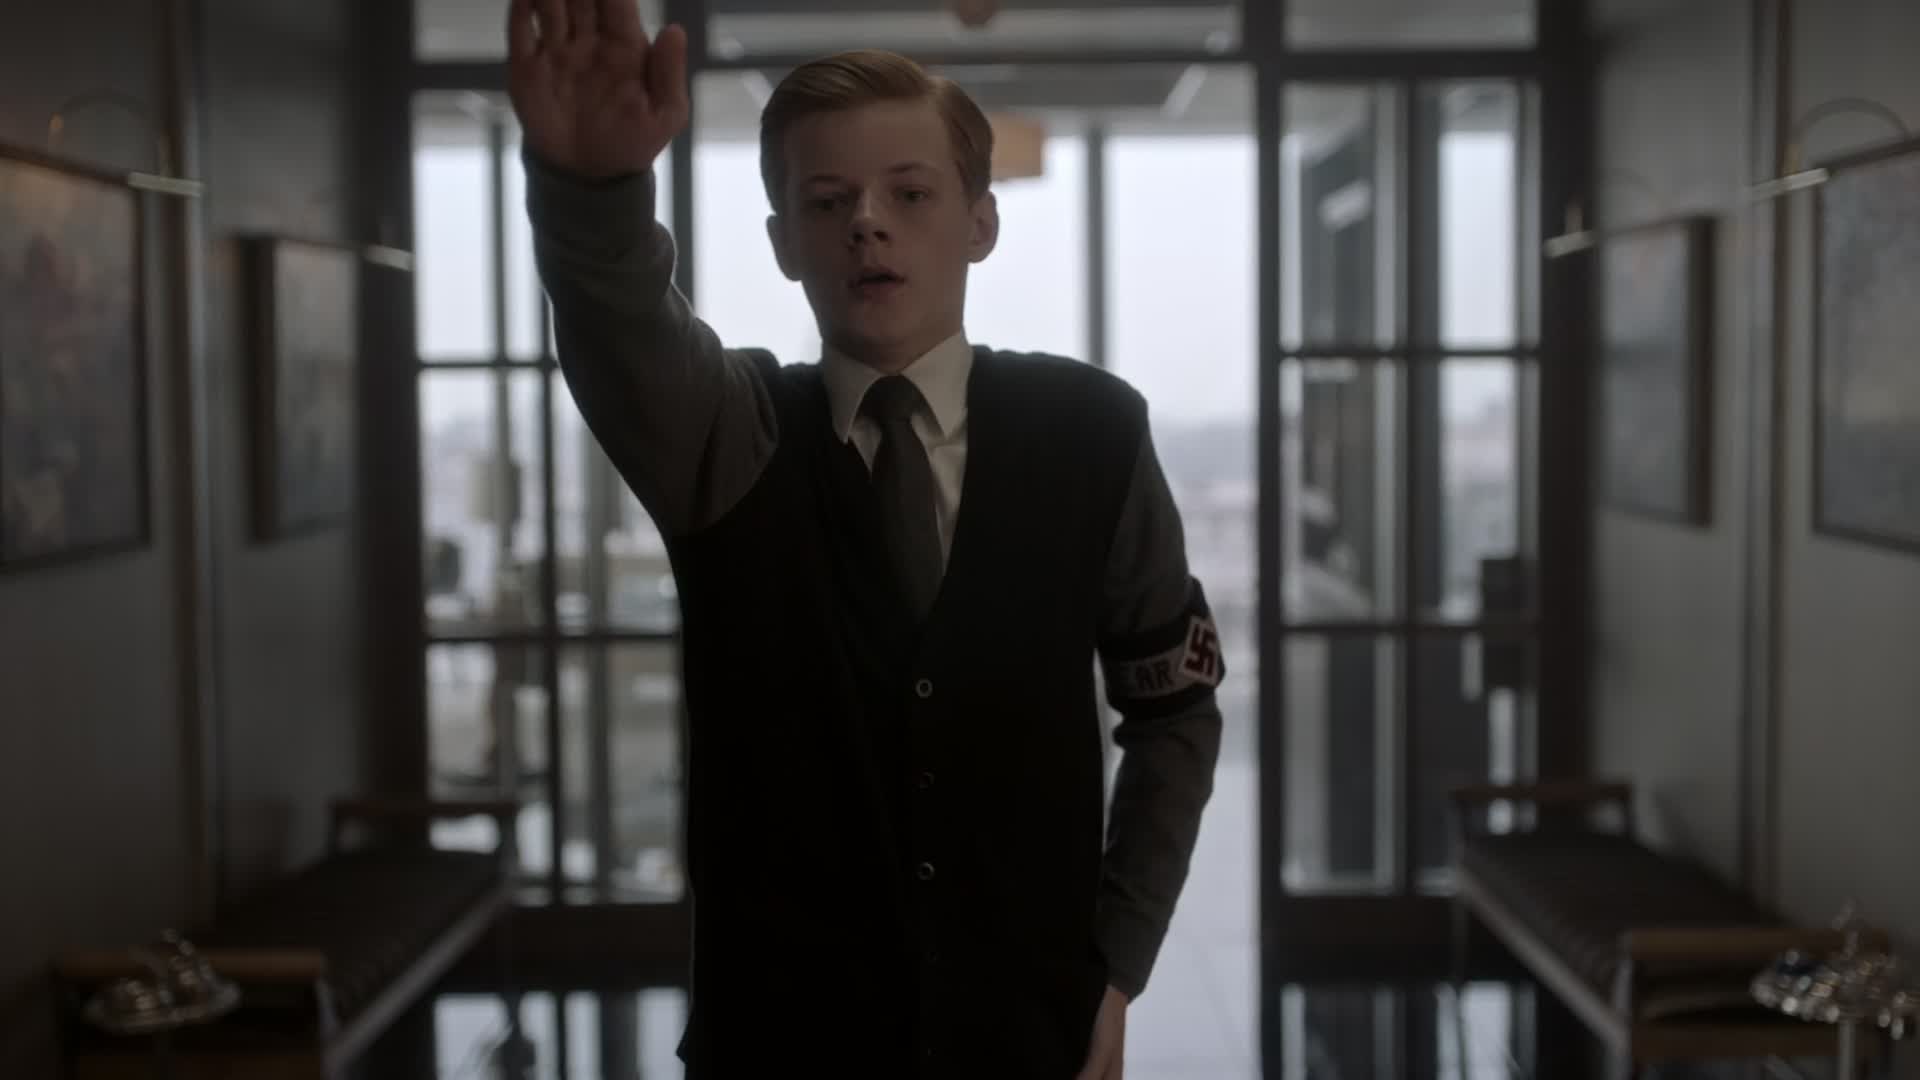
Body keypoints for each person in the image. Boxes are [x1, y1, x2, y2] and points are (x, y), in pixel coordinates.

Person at [507, 1, 1224, 1075]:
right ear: (784, 242)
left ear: (980, 223)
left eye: (910, 193)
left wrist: (1118, 962)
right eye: (828, 200)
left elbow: (1174, 713)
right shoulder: (733, 434)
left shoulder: (1094, 433)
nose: (867, 225)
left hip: (1030, 1041)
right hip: (780, 1045)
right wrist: (593, 193)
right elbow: (626, 333)